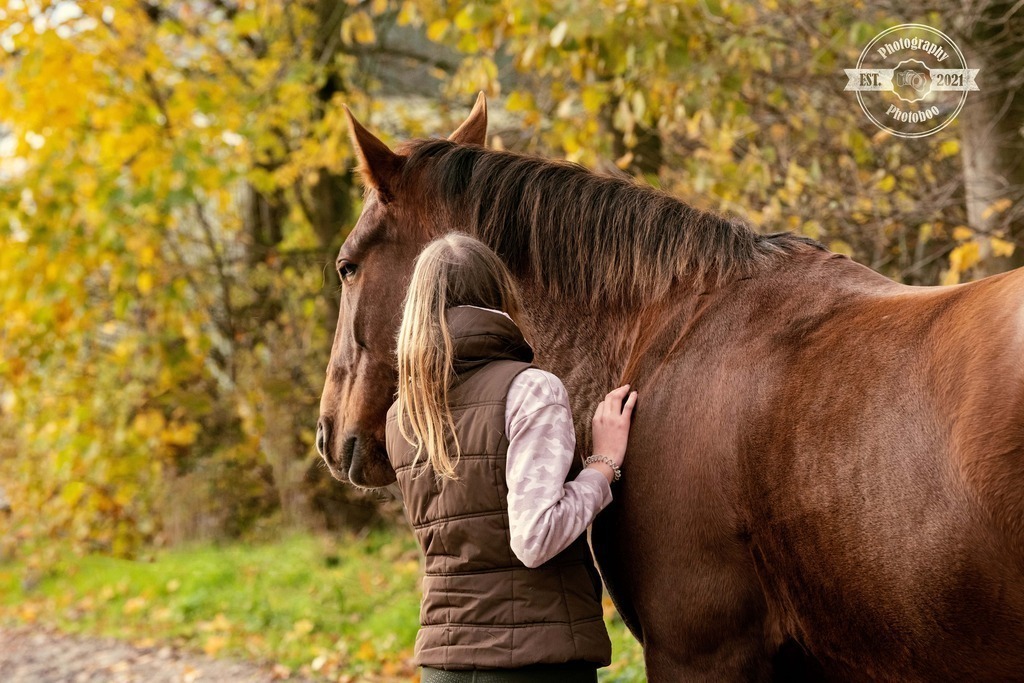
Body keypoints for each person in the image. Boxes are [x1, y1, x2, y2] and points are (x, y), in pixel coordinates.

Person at [384, 232, 638, 683]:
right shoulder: (529, 391)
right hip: (532, 664)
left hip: (444, 666)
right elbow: (534, 538)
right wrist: (603, 464)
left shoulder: (404, 414)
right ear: (500, 295)